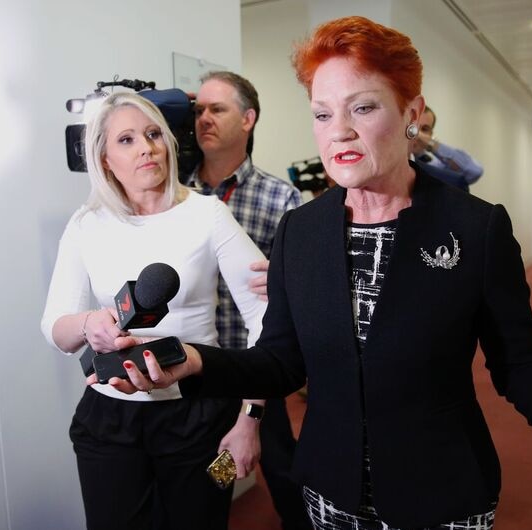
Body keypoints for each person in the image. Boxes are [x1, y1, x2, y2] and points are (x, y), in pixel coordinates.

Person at [101, 18, 532, 530]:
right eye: (323, 114)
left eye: (363, 107)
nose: (339, 131)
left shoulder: (475, 227)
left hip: (443, 493)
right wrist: (197, 361)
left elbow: (519, 359)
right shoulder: (301, 231)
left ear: (409, 114)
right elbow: (280, 361)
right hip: (329, 492)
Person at [40, 92, 268, 530]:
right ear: (105, 160)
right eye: (126, 140)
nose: (146, 147)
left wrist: (249, 419)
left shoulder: (208, 214)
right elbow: (54, 327)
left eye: (152, 135)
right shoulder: (86, 223)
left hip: (201, 419)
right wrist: (90, 325)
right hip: (108, 423)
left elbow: (266, 318)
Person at [186, 70, 311, 529]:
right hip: (193, 370)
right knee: (212, 481)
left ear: (248, 119)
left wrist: (285, 282)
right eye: (198, 110)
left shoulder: (282, 197)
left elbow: (293, 297)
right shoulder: (172, 196)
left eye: (217, 109)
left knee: (279, 467)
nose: (204, 119)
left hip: (255, 370)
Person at [410, 105, 483, 191]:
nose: (416, 134)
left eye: (425, 129)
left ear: (431, 134)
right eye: (412, 126)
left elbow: (474, 171)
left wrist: (430, 143)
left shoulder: (436, 166)